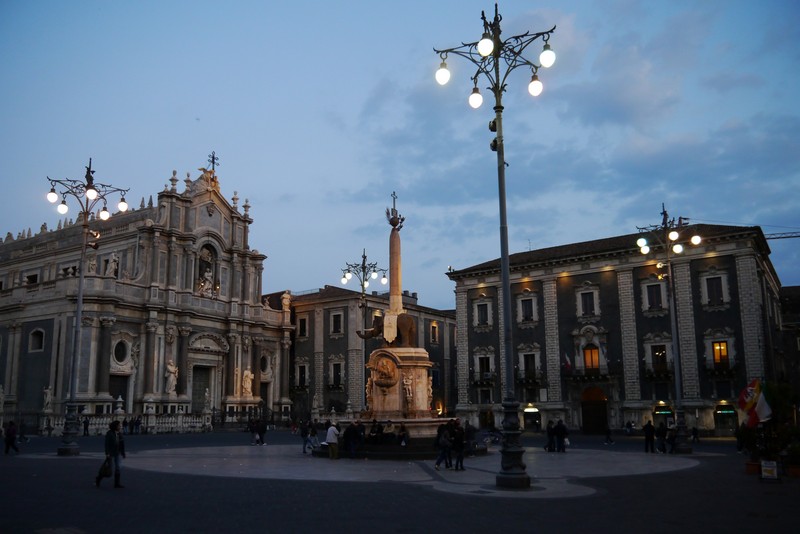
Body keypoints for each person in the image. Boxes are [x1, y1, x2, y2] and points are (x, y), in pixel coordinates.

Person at [97, 420, 126, 488]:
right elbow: (107, 444)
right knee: (107, 467)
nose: (120, 426)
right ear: (115, 426)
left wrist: (123, 452)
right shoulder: (109, 433)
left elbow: (122, 444)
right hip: (111, 452)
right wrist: (107, 453)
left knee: (117, 467)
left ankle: (117, 483)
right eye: (119, 425)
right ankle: (99, 478)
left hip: (117, 452)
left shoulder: (119, 433)